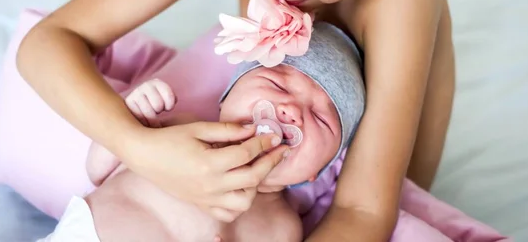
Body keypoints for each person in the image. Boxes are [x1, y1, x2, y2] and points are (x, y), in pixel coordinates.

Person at [14, 0, 455, 240]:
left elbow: (363, 209)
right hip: (253, 143)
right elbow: (47, 43)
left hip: (369, 180)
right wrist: (142, 150)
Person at [38, 22, 365, 242]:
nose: (291, 111)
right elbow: (97, 171)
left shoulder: (282, 226)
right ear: (227, 98)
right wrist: (133, 116)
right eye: (276, 83)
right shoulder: (183, 130)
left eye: (321, 119)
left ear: (316, 173)